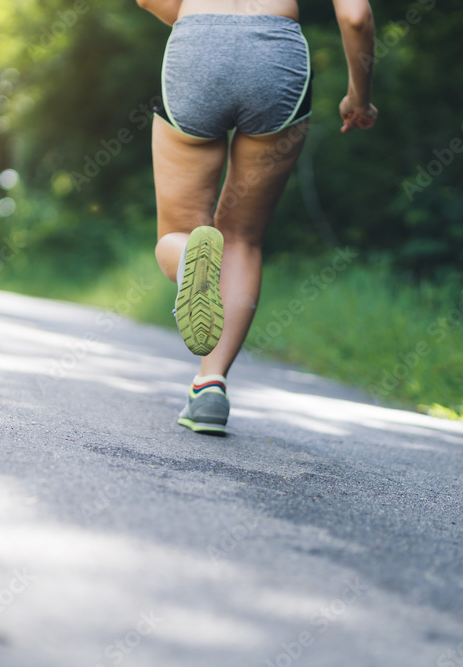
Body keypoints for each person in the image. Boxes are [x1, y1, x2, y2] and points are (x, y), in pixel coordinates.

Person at [137, 0, 378, 434]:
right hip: (276, 56)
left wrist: (201, 22)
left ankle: (191, 251)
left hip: (197, 47)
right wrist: (359, 97)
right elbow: (356, 16)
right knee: (242, 238)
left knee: (178, 231)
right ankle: (210, 384)